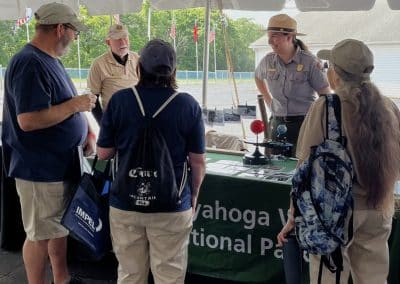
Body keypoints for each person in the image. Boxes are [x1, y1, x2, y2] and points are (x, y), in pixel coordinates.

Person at [277, 39, 400, 283]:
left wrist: (293, 217)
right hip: (379, 208)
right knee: (374, 278)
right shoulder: (389, 107)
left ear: (336, 72)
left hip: (335, 213)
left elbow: (305, 169)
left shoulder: (326, 107)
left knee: (328, 277)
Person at [1, 3, 98, 284]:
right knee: (39, 236)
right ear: (60, 29)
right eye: (74, 32)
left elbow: (62, 107)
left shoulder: (49, 60)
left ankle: (61, 278)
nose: (75, 38)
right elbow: (28, 120)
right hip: (39, 170)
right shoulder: (29, 63)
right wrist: (76, 106)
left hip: (59, 165)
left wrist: (85, 133)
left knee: (57, 229)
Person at [97, 39, 206, 284]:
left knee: (129, 273)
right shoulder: (187, 105)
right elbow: (197, 161)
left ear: (139, 67)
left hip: (125, 201)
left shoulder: (120, 100)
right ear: (173, 70)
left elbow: (103, 153)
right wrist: (194, 194)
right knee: (169, 274)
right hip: (172, 203)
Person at [255, 14, 331, 155]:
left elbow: (326, 97)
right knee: (275, 170)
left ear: (289, 37)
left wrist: (319, 125)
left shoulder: (310, 62)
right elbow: (257, 77)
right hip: (277, 123)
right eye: (269, 36)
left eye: (274, 36)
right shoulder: (267, 61)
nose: (269, 41)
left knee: (301, 167)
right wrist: (269, 101)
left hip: (304, 124)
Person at [87, 23, 139, 124]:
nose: (123, 42)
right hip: (114, 122)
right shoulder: (98, 64)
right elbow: (93, 99)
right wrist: (103, 126)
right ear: (108, 42)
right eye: (118, 39)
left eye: (125, 37)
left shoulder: (138, 60)